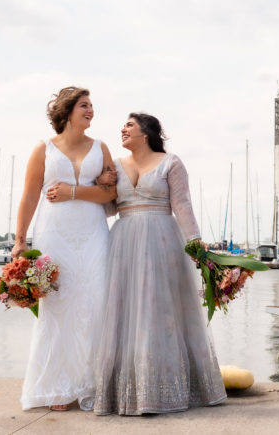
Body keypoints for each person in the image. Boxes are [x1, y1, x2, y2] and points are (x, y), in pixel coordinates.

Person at [48, 112, 226, 415]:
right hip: (124, 242)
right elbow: (108, 209)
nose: (123, 129)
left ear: (146, 132)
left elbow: (182, 205)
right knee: (125, 311)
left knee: (160, 312)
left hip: (162, 241)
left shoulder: (171, 162)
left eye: (129, 125)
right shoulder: (115, 166)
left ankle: (166, 388)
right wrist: (100, 187)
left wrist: (196, 245)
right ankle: (126, 391)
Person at [12, 87, 117, 411]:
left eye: (92, 106)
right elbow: (30, 197)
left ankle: (93, 383)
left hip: (93, 234)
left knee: (95, 303)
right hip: (54, 234)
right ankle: (58, 387)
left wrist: (74, 191)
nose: (91, 111)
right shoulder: (43, 149)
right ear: (67, 111)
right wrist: (20, 240)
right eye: (84, 106)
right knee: (58, 307)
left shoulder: (101, 148)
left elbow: (111, 196)